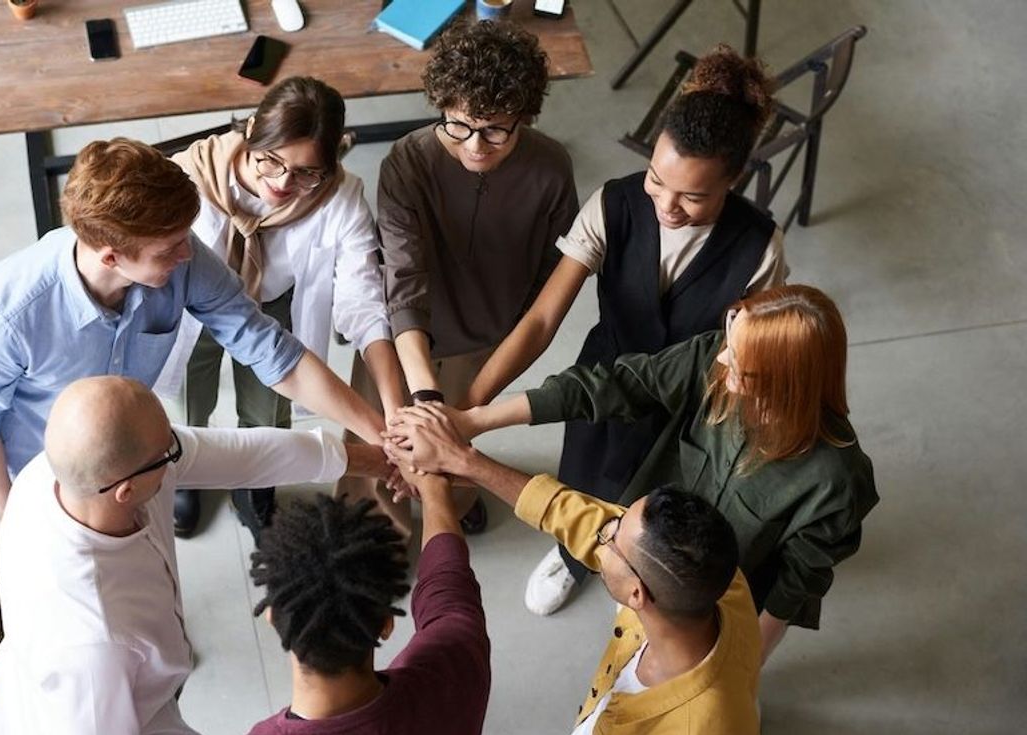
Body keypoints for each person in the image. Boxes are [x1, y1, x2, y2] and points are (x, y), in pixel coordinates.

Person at [0, 137, 385, 710]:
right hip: (20, 459)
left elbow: (270, 350)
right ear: (109, 254)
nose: (188, 254)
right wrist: (8, 517)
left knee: (121, 561)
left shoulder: (180, 257)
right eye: (169, 247)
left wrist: (378, 431)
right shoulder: (7, 314)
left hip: (127, 452)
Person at [462, 44, 789, 615]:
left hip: (690, 403)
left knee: (664, 504)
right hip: (602, 380)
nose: (667, 205)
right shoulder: (613, 204)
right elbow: (541, 320)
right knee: (586, 474)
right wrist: (469, 409)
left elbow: (749, 355)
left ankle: (639, 570)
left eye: (693, 195)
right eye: (658, 180)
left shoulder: (759, 246)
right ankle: (573, 555)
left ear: (734, 180)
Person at [393, 285, 878, 661]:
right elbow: (613, 386)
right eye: (730, 339)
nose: (723, 359)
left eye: (743, 369)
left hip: (716, 602)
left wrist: (744, 664)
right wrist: (473, 421)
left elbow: (793, 587)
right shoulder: (716, 357)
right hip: (640, 545)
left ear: (788, 384)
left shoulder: (836, 481)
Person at [0, 376, 391, 735]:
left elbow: (242, 456)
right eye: (168, 452)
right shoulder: (95, 639)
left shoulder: (70, 474)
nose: (178, 451)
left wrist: (377, 460)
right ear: (126, 490)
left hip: (121, 694)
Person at [383, 404, 761, 735]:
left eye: (612, 537)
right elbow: (579, 516)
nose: (603, 530)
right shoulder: (716, 580)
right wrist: (462, 461)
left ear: (637, 593)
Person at [336, 18, 579, 539]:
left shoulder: (552, 170)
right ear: (441, 108)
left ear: (524, 117)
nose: (475, 146)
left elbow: (547, 281)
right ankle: (378, 531)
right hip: (404, 335)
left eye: (495, 130)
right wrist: (424, 400)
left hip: (485, 338)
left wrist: (452, 415)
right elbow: (402, 278)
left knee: (459, 445)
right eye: (458, 126)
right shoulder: (409, 160)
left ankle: (456, 497)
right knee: (385, 435)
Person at [165, 76, 404, 537]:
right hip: (193, 309)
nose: (281, 183)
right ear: (252, 130)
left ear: (329, 165)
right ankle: (186, 471)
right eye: (270, 162)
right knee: (186, 400)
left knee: (267, 409)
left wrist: (392, 414)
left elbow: (363, 301)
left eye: (305, 173)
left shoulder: (340, 196)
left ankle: (254, 482)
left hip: (273, 306)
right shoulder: (189, 174)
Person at [171, 478, 490, 735]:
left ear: (273, 618)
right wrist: (434, 490)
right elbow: (449, 586)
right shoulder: (457, 669)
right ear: (387, 623)